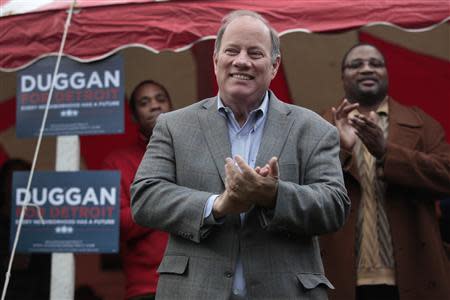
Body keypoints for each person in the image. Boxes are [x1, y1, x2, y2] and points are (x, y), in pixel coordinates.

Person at [131, 10, 349, 300]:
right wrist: (218, 205)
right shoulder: (174, 126)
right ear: (215, 60)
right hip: (193, 291)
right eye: (232, 50)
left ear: (274, 66)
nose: (242, 61)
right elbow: (145, 197)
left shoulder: (314, 129)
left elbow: (335, 205)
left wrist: (273, 195)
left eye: (255, 53)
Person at [321, 43, 450, 300]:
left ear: (386, 73)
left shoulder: (422, 124)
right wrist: (341, 151)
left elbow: (446, 176)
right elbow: (302, 192)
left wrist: (386, 152)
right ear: (343, 76)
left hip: (415, 274)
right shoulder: (319, 125)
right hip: (342, 277)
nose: (367, 69)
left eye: (375, 63)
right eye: (356, 65)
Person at [102, 80, 172, 300]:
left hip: (198, 281)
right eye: (145, 102)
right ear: (133, 115)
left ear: (172, 107)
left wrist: (146, 207)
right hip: (146, 287)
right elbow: (116, 224)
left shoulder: (193, 153)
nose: (154, 105)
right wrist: (171, 202)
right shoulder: (116, 162)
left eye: (160, 99)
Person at [0, 158, 50, 300]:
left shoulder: (40, 225)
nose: (22, 184)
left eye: (26, 178)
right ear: (4, 184)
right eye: (15, 177)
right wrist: (5, 264)